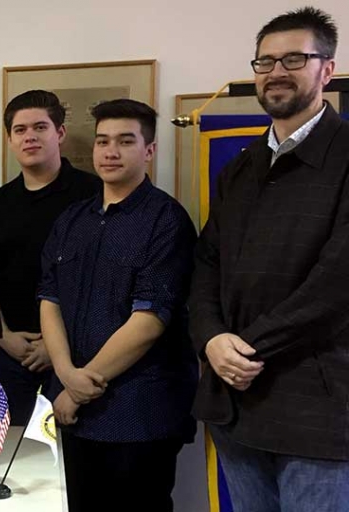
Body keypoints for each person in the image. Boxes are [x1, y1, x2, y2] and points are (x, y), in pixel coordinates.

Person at [190, 7, 349, 510]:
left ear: (327, 69)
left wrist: (244, 349)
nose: (277, 71)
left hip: (316, 411)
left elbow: (337, 285)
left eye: (294, 59)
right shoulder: (241, 167)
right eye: (266, 61)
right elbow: (207, 265)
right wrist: (212, 339)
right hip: (235, 404)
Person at [39, 100, 197, 512]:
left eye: (125, 141)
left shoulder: (167, 220)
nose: (110, 152)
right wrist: (64, 374)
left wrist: (77, 387)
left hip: (140, 413)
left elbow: (150, 320)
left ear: (149, 150)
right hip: (73, 413)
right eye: (103, 141)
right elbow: (49, 299)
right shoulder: (72, 220)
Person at [0, 91, 100, 424]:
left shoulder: (92, 195)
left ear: (59, 133)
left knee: (71, 462)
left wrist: (56, 347)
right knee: (10, 457)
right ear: (10, 139)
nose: (29, 136)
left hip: (79, 355)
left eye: (39, 127)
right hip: (10, 353)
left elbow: (103, 283)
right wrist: (3, 336)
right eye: (20, 130)